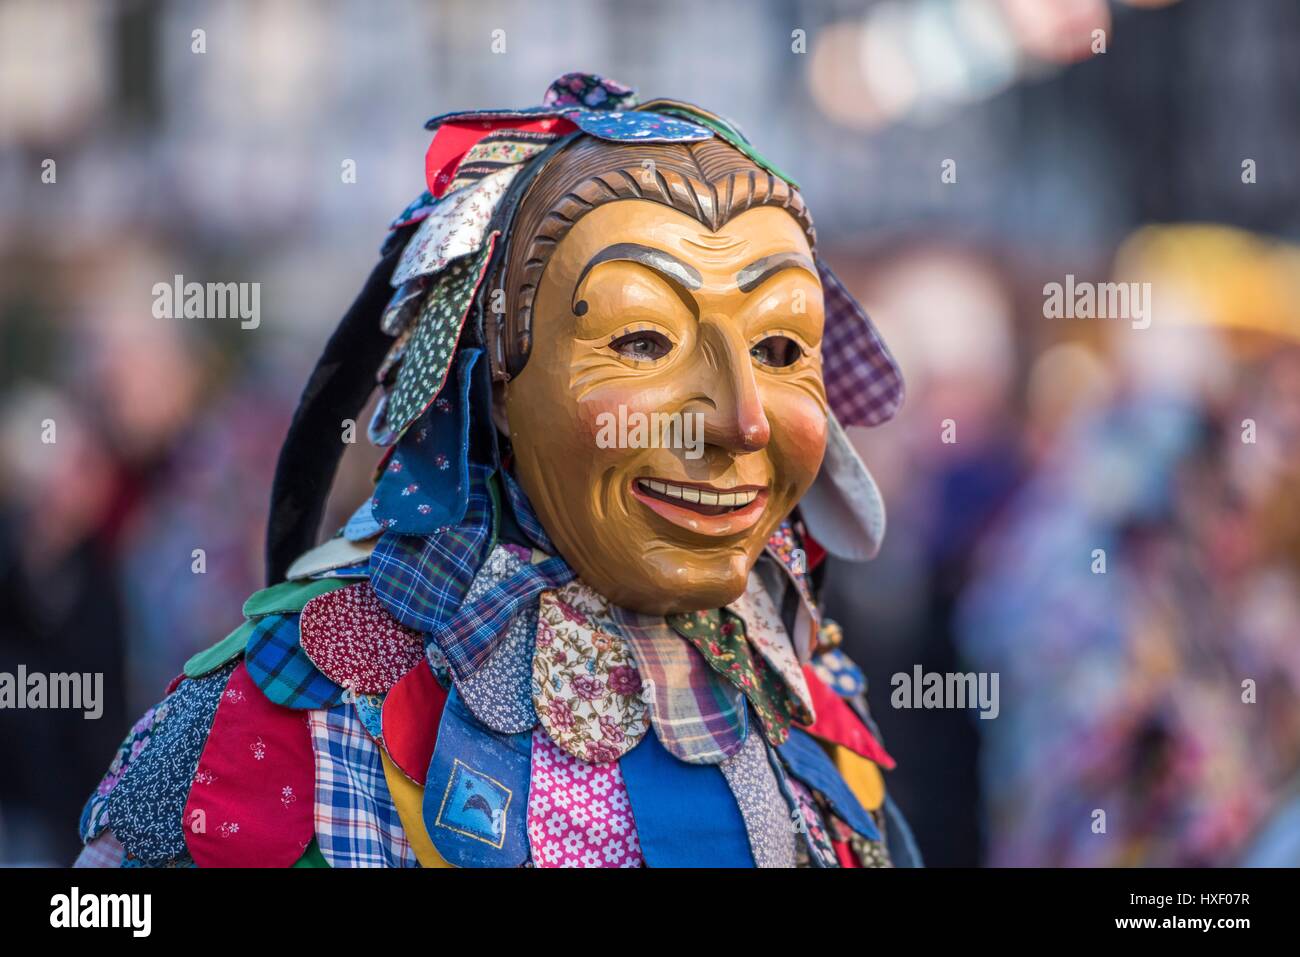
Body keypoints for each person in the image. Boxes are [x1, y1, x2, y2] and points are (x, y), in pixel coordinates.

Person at [75, 73, 917, 868]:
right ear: (501, 381)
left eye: (780, 348)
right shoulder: (297, 712)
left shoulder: (800, 689)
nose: (741, 420)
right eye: (642, 340)